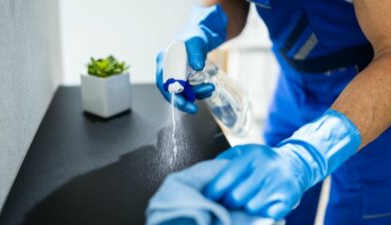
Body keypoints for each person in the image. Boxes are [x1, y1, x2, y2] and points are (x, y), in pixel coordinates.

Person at [155, 0, 391, 224]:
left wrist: (305, 158)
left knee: (358, 213)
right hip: (294, 84)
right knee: (272, 203)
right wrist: (203, 27)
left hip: (371, 91)